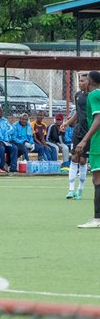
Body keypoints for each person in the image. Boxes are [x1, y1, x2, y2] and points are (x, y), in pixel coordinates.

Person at [73, 70, 100, 228]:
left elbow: (98, 118)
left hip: (98, 141)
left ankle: (97, 219)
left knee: (97, 179)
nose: (83, 82)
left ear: (90, 81)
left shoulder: (93, 95)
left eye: (85, 79)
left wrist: (84, 140)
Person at [66, 76, 91, 199]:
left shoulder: (93, 96)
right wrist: (67, 123)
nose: (80, 83)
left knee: (82, 160)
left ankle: (80, 190)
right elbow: (77, 112)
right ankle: (71, 190)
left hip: (89, 131)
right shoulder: (77, 95)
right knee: (75, 157)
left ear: (89, 82)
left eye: (83, 81)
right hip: (78, 130)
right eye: (79, 81)